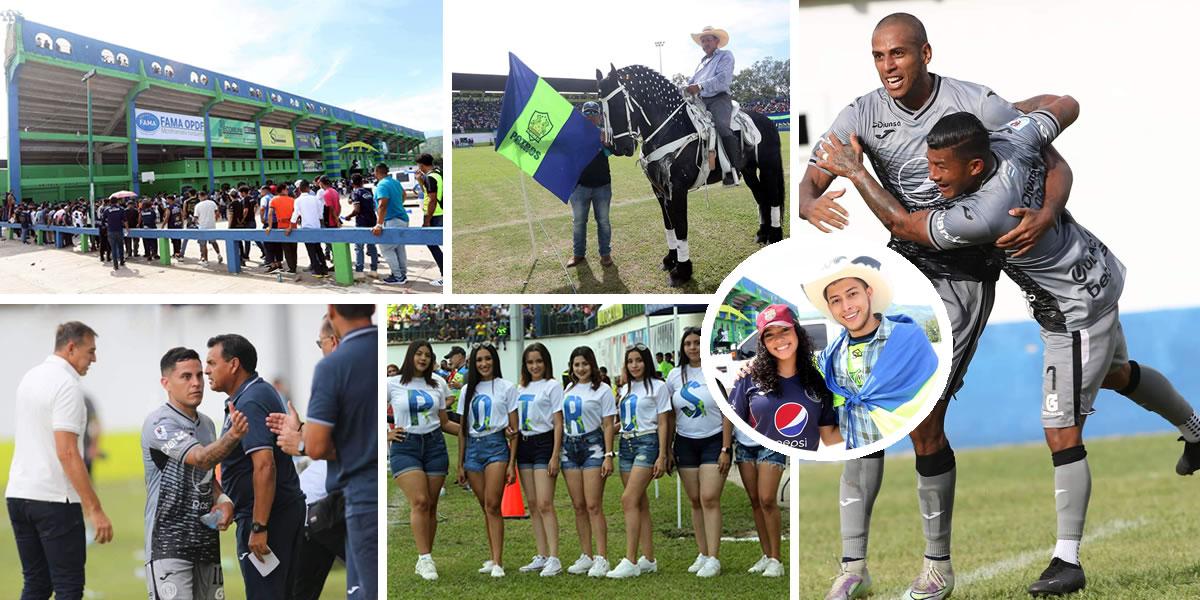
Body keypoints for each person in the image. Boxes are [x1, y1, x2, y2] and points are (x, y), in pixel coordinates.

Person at [818, 101, 1200, 596]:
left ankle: (1068, 561)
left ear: (975, 166)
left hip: (1070, 310)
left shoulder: (986, 211)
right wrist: (1014, 125)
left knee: (1060, 426)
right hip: (1097, 272)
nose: (932, 178)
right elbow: (1064, 106)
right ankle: (1196, 430)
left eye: (940, 169)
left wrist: (855, 171)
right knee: (1116, 373)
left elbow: (906, 227)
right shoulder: (1013, 140)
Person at [798, 14, 1076, 600]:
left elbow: (1050, 140)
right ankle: (853, 567)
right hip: (902, 263)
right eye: (877, 56)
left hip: (963, 272)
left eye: (897, 54)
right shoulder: (862, 113)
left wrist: (1047, 210)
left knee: (923, 418)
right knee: (861, 410)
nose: (887, 67)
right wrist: (806, 202)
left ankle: (937, 568)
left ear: (925, 52)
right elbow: (815, 177)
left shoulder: (973, 103)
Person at [6, 322, 113, 599]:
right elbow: (66, 452)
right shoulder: (67, 386)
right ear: (71, 348)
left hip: (19, 495)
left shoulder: (30, 376)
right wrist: (95, 509)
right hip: (54, 500)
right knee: (68, 588)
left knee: (36, 586)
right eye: (90, 351)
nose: (94, 359)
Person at [142, 347, 249, 600]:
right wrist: (233, 436)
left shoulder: (207, 425)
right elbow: (201, 458)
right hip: (168, 546)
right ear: (165, 383)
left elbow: (206, 476)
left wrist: (223, 502)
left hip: (205, 544)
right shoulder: (159, 424)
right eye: (186, 377)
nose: (196, 383)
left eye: (200, 375)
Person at [206, 334, 305, 599]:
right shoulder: (254, 392)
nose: (206, 371)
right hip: (276, 512)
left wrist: (259, 527)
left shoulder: (250, 400)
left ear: (234, 364)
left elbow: (265, 466)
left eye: (212, 363)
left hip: (269, 518)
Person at [803, 257, 940, 450]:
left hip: (907, 449)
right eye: (836, 300)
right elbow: (801, 377)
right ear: (830, 308)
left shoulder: (907, 338)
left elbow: (930, 391)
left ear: (869, 293)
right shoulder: (830, 356)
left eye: (852, 294)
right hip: (858, 456)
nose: (846, 306)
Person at [297, 305, 378, 598]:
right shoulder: (379, 350)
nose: (321, 350)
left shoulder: (334, 367)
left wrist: (301, 441)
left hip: (360, 497)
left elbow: (316, 446)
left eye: (320, 344)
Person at [666, 327, 733, 578]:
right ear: (683, 349)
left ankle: (714, 557)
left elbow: (728, 411)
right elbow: (670, 415)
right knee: (695, 501)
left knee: (709, 498)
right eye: (688, 344)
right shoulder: (674, 376)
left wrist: (726, 448)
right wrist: (669, 449)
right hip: (685, 443)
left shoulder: (715, 370)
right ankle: (703, 553)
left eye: (697, 343)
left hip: (714, 441)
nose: (693, 347)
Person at [388, 340, 458, 581]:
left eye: (427, 355)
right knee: (419, 501)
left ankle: (426, 557)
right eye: (418, 353)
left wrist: (476, 432)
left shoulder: (438, 383)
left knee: (431, 505)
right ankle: (425, 559)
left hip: (435, 445)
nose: (423, 358)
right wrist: (385, 433)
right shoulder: (391, 383)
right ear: (410, 356)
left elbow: (445, 422)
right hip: (405, 445)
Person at [729, 304, 841, 451]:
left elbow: (829, 437)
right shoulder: (748, 376)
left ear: (798, 332)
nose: (779, 339)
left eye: (785, 330)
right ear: (763, 343)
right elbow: (731, 423)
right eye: (769, 335)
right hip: (764, 461)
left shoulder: (818, 379)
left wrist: (873, 427)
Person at [605, 344, 671, 579]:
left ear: (647, 362)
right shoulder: (624, 389)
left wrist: (663, 455)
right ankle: (649, 559)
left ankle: (630, 560)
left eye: (639, 360)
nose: (634, 365)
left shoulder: (658, 387)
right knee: (639, 502)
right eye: (630, 361)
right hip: (626, 444)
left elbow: (663, 422)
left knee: (628, 499)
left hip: (647, 443)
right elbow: (623, 421)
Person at [456, 343, 518, 578]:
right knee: (486, 508)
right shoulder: (466, 391)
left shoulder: (506, 387)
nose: (484, 364)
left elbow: (514, 429)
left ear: (495, 360)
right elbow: (462, 429)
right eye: (479, 360)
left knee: (493, 504)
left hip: (496, 447)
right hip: (473, 449)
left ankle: (499, 561)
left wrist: (512, 463)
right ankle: (493, 557)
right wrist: (460, 463)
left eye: (488, 359)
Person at [559, 346, 617, 577]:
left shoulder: (603, 390)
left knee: (593, 505)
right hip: (569, 447)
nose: (580, 368)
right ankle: (586, 554)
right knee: (579, 506)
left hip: (593, 446)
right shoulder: (569, 388)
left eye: (584, 364)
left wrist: (608, 455)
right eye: (576, 364)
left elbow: (608, 425)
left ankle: (602, 557)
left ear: (592, 365)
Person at [513, 343, 566, 577]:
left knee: (545, 503)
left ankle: (554, 557)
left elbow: (558, 422)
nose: (534, 366)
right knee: (533, 504)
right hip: (524, 445)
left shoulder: (553, 386)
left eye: (539, 361)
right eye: (530, 362)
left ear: (546, 362)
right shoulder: (520, 387)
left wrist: (555, 454)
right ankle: (541, 554)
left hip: (545, 445)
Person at [730, 409, 787, 578]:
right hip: (743, 443)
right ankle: (767, 555)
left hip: (771, 441)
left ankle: (776, 560)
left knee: (767, 499)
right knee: (755, 501)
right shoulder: (738, 383)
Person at [687, 25, 740, 185]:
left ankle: (734, 168)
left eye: (708, 40)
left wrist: (700, 86)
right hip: (700, 101)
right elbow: (692, 82)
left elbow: (723, 78)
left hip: (719, 99)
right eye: (702, 41)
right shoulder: (701, 63)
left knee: (722, 126)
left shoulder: (725, 56)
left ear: (716, 41)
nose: (705, 44)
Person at [567, 101, 614, 268]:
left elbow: (612, 152)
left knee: (603, 222)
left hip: (602, 185)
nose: (591, 117)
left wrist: (606, 143)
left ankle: (605, 254)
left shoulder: (606, 133)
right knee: (579, 222)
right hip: (580, 187)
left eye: (594, 114)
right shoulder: (573, 134)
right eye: (588, 114)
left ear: (599, 116)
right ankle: (578, 254)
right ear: (582, 116)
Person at [371, 163, 409, 285]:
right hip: (402, 218)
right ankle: (402, 274)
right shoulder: (395, 182)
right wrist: (398, 205)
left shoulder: (381, 185)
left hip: (392, 220)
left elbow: (382, 204)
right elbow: (404, 195)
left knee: (386, 248)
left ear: (377, 172)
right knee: (399, 248)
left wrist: (379, 224)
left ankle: (398, 277)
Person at [288, 179, 329, 278]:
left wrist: (290, 227)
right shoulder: (315, 199)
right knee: (318, 248)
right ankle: (324, 269)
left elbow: (295, 215)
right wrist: (319, 223)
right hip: (316, 227)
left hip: (306, 228)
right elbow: (320, 214)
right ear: (308, 188)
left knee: (311, 250)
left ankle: (317, 271)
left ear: (299, 189)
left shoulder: (297, 200)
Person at [416, 153, 444, 286]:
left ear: (421, 165)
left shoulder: (430, 177)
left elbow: (432, 199)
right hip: (440, 212)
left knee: (432, 242)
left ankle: (445, 274)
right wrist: (420, 181)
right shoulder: (438, 172)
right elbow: (429, 192)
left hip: (435, 214)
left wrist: (427, 220)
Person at [346, 173, 379, 274]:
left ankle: (359, 271)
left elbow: (357, 210)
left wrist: (349, 216)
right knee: (372, 246)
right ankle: (374, 270)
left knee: (359, 247)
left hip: (362, 222)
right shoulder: (368, 191)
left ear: (352, 183)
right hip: (372, 220)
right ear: (362, 181)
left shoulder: (355, 192)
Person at [266, 184, 299, 275]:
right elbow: (297, 214)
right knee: (294, 248)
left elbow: (270, 214)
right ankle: (294, 266)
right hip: (293, 226)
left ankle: (292, 268)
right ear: (283, 190)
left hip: (282, 226)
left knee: (286, 249)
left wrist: (269, 226)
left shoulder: (274, 200)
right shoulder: (293, 200)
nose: (288, 191)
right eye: (286, 189)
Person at [194, 191, 223, 266]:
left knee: (203, 245)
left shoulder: (198, 205)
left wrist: (196, 223)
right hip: (212, 226)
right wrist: (215, 219)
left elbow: (195, 218)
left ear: (199, 197)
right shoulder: (212, 203)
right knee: (213, 242)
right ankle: (219, 254)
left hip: (202, 227)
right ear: (206, 196)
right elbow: (217, 213)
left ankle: (205, 260)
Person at [103, 197, 128, 270]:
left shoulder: (107, 210)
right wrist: (127, 229)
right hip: (119, 231)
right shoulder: (121, 209)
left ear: (110, 202)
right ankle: (122, 261)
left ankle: (115, 265)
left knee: (113, 248)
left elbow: (103, 221)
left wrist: (109, 225)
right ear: (117, 202)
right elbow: (125, 220)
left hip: (110, 231)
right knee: (121, 246)